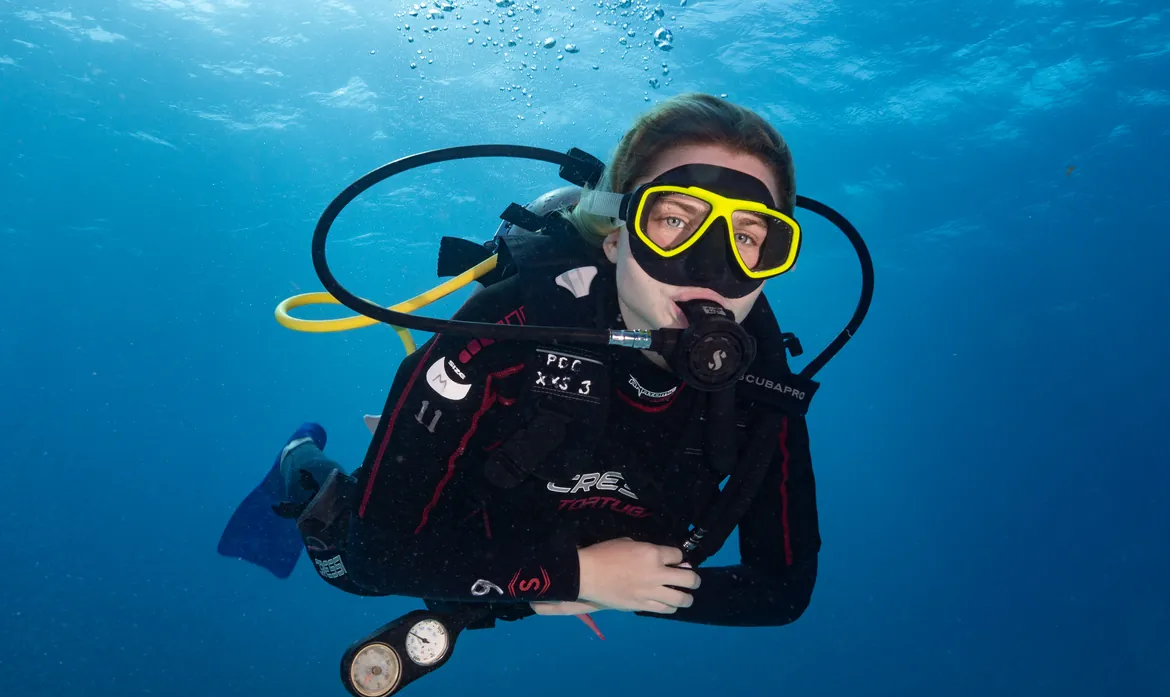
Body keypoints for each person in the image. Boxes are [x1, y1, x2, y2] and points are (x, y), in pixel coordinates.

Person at [220, 92, 860, 632]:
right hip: (472, 533)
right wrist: (575, 577)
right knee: (345, 574)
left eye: (748, 236)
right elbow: (380, 558)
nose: (712, 268)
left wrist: (615, 586)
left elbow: (780, 590)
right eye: (674, 219)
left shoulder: (760, 383)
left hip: (574, 562)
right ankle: (298, 462)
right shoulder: (506, 334)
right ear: (616, 237)